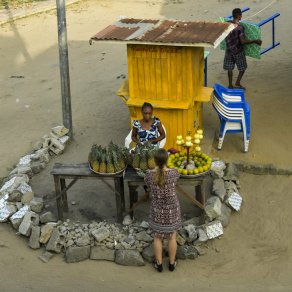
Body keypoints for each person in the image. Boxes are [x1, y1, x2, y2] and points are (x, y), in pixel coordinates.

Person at [144, 149, 181, 272]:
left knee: (157, 237)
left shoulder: (149, 174)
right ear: (167, 160)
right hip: (172, 209)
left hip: (157, 209)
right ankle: (171, 263)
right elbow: (176, 177)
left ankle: (159, 264)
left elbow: (147, 184)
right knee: (172, 237)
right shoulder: (174, 173)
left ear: (154, 161)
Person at [223, 8, 262, 90]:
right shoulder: (240, 28)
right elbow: (243, 41)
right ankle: (237, 82)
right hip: (238, 51)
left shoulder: (226, 24)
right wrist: (255, 41)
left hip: (229, 51)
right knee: (242, 68)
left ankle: (230, 85)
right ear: (239, 16)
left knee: (230, 69)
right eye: (241, 15)